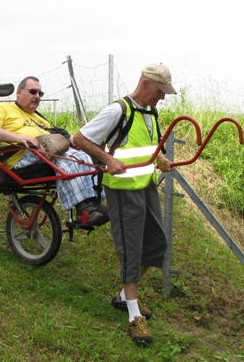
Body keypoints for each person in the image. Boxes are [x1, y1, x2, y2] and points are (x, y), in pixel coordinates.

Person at [72, 63, 177, 345]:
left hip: (146, 188)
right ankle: (133, 315)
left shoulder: (151, 112)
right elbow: (79, 138)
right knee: (131, 249)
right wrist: (107, 159)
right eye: (160, 90)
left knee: (156, 244)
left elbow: (150, 146)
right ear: (145, 84)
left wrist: (160, 159)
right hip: (122, 190)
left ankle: (123, 297)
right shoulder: (118, 110)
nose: (162, 97)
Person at [0, 76, 108, 226]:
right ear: (19, 92)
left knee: (83, 156)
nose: (37, 96)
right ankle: (83, 210)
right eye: (33, 91)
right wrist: (18, 137)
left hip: (43, 152)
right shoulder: (3, 109)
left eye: (40, 94)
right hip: (20, 157)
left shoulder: (40, 119)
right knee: (63, 159)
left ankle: (93, 203)